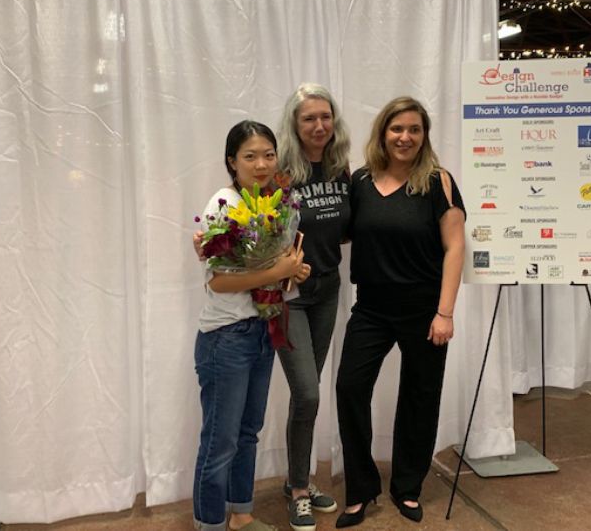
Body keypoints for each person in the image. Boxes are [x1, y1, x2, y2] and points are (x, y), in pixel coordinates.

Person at [334, 97, 465, 527]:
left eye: (414, 129)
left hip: (424, 309)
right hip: (371, 307)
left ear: (424, 135)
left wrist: (444, 313)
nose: (405, 137)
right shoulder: (361, 181)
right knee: (350, 388)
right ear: (382, 133)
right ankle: (361, 490)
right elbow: (342, 234)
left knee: (419, 398)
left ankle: (407, 487)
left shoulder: (438, 181)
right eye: (397, 129)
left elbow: (455, 246)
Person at [193, 120, 309, 531]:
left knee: (247, 432)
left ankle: (241, 514)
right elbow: (220, 282)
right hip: (225, 339)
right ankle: (209, 524)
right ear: (232, 161)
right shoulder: (223, 205)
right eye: (249, 156)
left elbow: (264, 272)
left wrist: (293, 271)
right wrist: (275, 270)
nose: (261, 164)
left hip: (261, 331)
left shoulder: (273, 204)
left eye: (268, 155)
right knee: (219, 441)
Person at [276, 83, 351, 531]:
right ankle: (301, 490)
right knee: (307, 393)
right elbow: (264, 230)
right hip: (289, 297)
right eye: (309, 118)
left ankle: (296, 480)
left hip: (327, 290)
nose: (319, 125)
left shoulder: (341, 168)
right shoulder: (282, 171)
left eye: (326, 117)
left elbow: (343, 228)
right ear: (295, 123)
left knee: (307, 396)